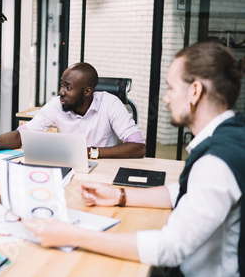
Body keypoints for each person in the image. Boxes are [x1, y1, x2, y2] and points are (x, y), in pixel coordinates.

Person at [23, 42, 245, 277]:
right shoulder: (229, 135)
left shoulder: (216, 162)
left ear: (195, 91)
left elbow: (169, 247)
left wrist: (72, 235)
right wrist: (120, 195)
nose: (167, 99)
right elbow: (182, 191)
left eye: (171, 88)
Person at [0, 62, 145, 160]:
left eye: (68, 87)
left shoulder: (110, 104)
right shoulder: (57, 104)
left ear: (87, 92)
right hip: (70, 167)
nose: (61, 92)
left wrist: (90, 153)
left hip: (104, 167)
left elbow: (138, 147)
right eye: (61, 85)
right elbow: (21, 136)